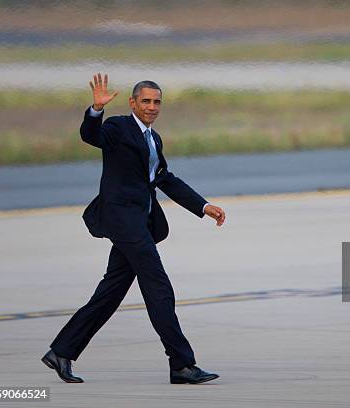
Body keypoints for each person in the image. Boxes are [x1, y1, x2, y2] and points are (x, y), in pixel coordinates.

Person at [41, 74, 226, 384]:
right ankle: (181, 364)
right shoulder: (117, 127)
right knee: (159, 287)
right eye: (146, 101)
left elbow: (165, 179)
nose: (151, 107)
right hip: (122, 220)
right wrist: (95, 111)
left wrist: (203, 206)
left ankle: (61, 352)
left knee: (110, 292)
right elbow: (92, 136)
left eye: (156, 102)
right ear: (132, 103)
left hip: (139, 222)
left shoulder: (154, 139)